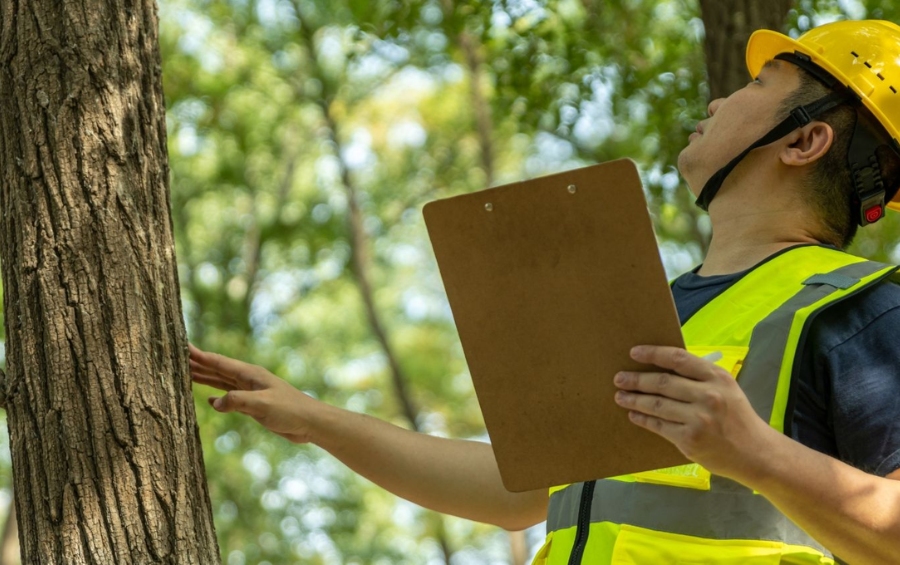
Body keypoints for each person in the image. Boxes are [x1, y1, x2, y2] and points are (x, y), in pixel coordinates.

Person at [190, 19, 900, 565]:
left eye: (756, 87)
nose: (719, 97)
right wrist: (311, 417)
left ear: (804, 142)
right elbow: (519, 494)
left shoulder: (865, 310)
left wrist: (752, 452)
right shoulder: (660, 306)